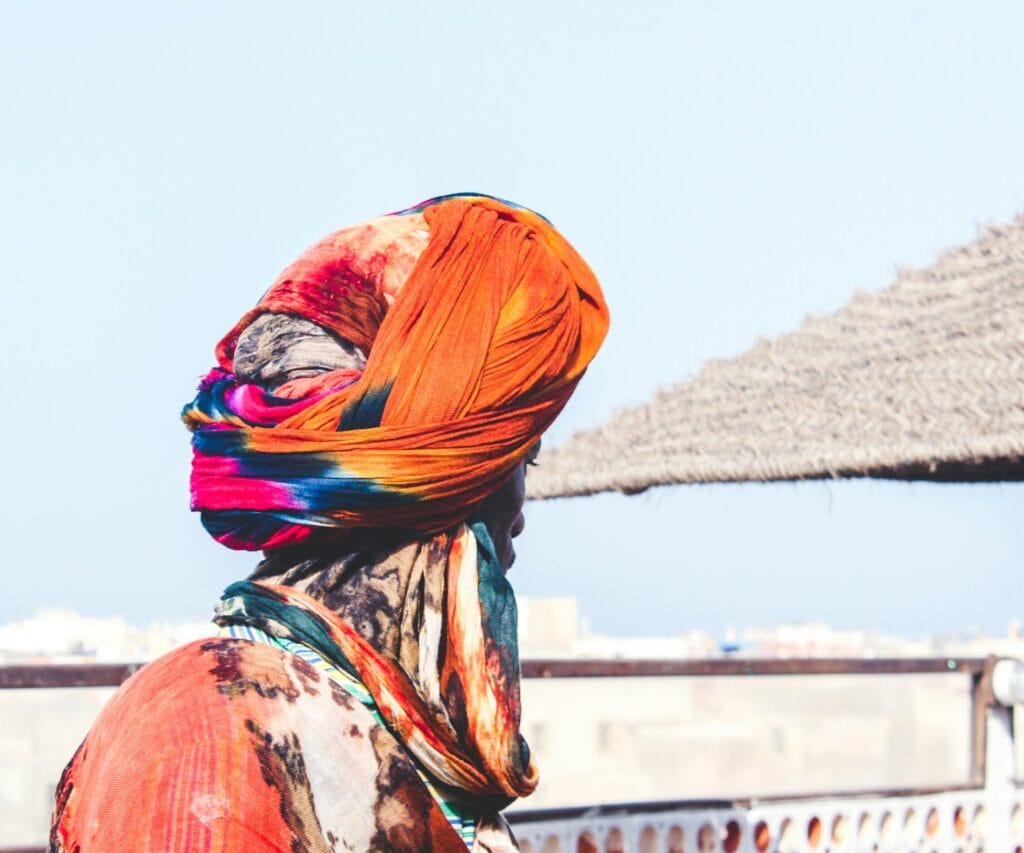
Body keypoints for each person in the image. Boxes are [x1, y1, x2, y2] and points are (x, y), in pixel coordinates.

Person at [49, 193, 609, 852]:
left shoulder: (389, 732)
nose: (521, 513)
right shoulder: (210, 731)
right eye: (521, 460)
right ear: (451, 476)